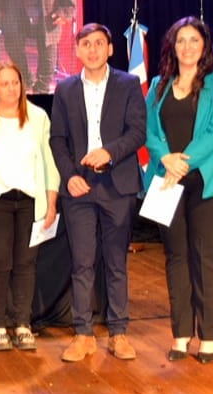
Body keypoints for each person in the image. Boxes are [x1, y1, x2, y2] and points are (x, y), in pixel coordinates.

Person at [145, 17, 213, 364]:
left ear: (205, 46)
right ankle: (181, 334)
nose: (187, 47)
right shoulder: (157, 84)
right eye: (180, 40)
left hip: (210, 183)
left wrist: (181, 163)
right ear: (172, 47)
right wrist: (164, 158)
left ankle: (209, 338)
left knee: (205, 257)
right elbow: (149, 131)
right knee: (176, 258)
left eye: (194, 40)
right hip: (166, 181)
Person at [50, 23, 146, 363]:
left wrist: (109, 152)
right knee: (82, 263)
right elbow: (57, 139)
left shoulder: (128, 84)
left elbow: (138, 132)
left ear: (110, 49)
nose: (92, 50)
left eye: (99, 43)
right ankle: (83, 334)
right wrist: (69, 176)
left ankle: (119, 333)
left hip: (117, 184)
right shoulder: (65, 89)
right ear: (77, 50)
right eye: (86, 44)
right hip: (79, 186)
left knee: (116, 262)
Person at [0, 61, 59, 351]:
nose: (11, 89)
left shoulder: (38, 117)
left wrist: (51, 201)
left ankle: (22, 324)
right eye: (4, 84)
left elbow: (49, 162)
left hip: (30, 201)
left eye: (15, 83)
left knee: (26, 264)